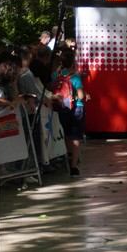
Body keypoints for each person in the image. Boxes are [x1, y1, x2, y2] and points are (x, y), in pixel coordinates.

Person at [50, 46, 87, 176]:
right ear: (73, 63)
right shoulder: (75, 77)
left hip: (62, 108)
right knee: (76, 137)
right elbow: (81, 96)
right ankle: (74, 166)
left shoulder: (56, 75)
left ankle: (67, 158)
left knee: (66, 134)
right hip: (76, 108)